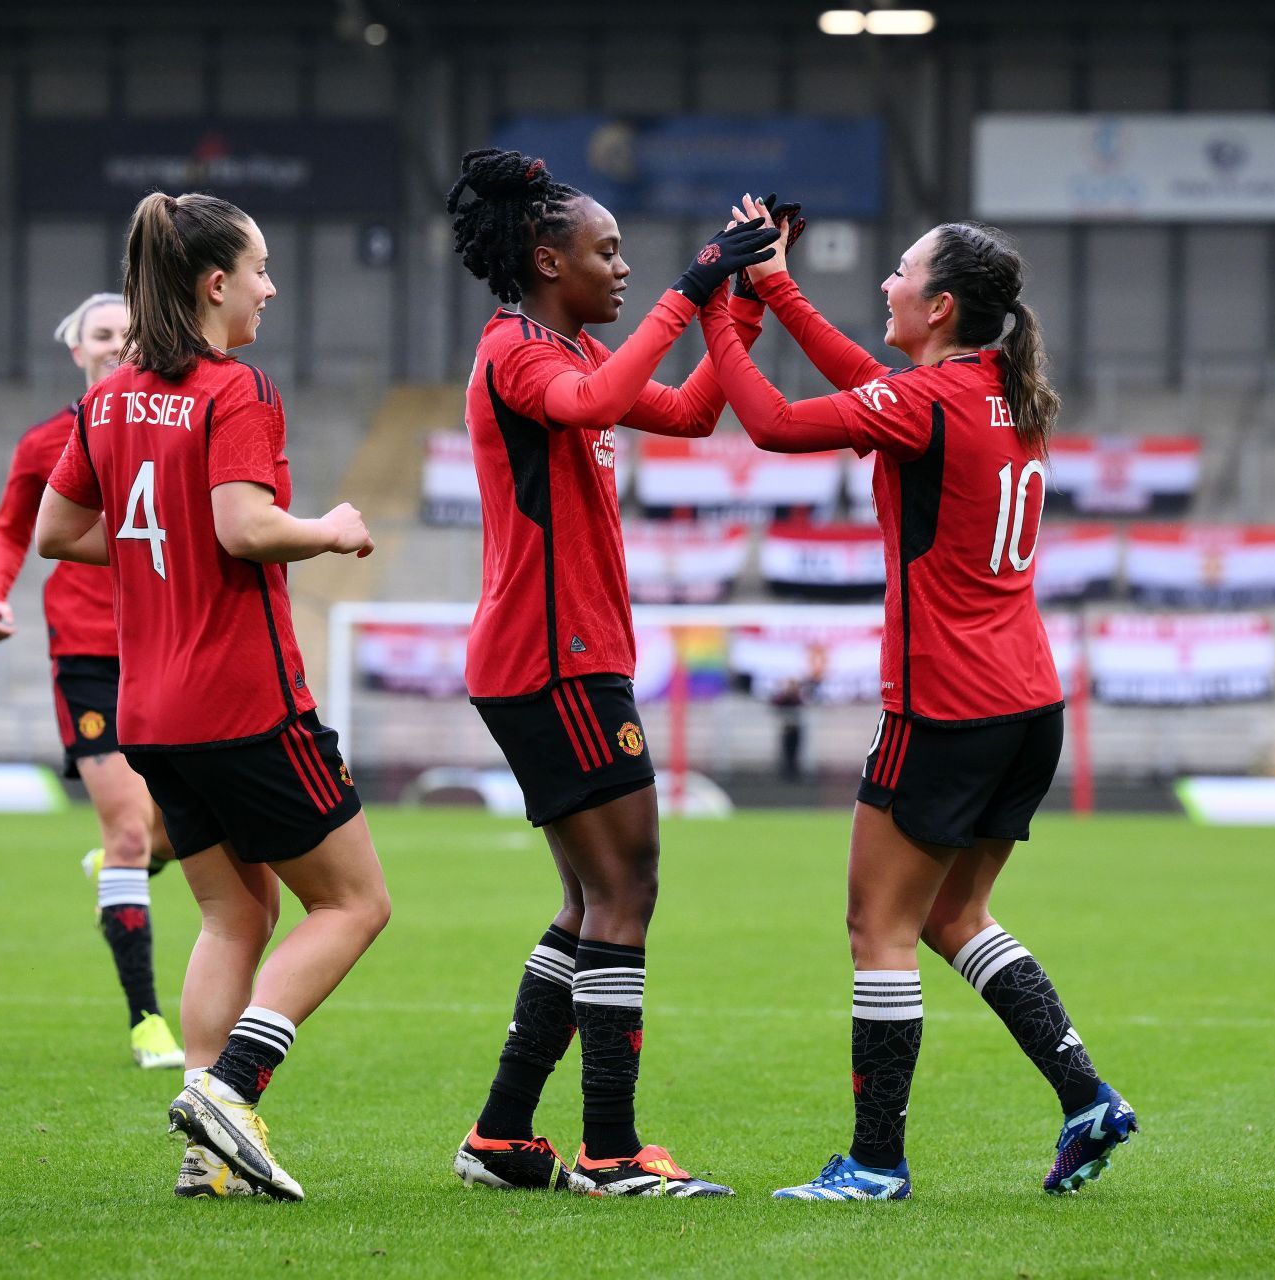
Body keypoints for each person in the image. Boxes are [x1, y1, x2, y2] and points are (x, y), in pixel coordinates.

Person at [698, 200, 1137, 1201]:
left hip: (944, 705)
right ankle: (1085, 1095)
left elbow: (768, 423)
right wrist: (772, 285)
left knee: (877, 926)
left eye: (900, 272)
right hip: (1028, 699)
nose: (886, 283)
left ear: (938, 306)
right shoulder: (995, 392)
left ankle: (876, 1163)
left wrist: (718, 308)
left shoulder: (927, 401)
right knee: (954, 915)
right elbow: (874, 383)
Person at [36, 191, 391, 1203]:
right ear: (214, 282)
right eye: (261, 269)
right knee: (356, 901)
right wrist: (325, 527)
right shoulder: (235, 389)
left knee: (237, 915)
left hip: (152, 711)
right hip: (246, 700)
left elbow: (59, 531)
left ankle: (206, 1150)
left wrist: (167, 546)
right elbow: (242, 527)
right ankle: (231, 1089)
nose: (271, 287)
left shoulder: (106, 400)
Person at [442, 148, 780, 1198]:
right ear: (550, 259)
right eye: (608, 250)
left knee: (592, 897)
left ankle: (502, 1135)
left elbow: (685, 413)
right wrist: (689, 290)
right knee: (628, 884)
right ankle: (610, 1148)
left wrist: (732, 307)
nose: (625, 266)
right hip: (557, 663)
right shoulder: (522, 355)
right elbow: (591, 402)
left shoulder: (564, 349)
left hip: (561, 657)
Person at [0, 292, 185, 1074]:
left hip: (166, 644)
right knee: (130, 832)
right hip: (90, 657)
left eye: (130, 333)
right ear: (78, 349)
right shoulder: (46, 442)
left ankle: (120, 869)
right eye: (103, 334)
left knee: (171, 831)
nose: (117, 344)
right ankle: (147, 1023)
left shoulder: (172, 426)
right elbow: (11, 526)